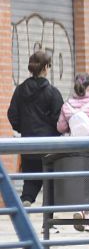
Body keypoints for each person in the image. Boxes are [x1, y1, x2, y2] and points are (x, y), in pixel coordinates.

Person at [7, 51, 63, 206]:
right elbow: (60, 120)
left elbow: (12, 114)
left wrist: (22, 128)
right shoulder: (53, 93)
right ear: (46, 67)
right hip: (48, 147)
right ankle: (48, 221)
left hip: (28, 144)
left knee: (30, 183)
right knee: (50, 185)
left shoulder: (20, 90)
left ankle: (26, 200)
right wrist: (55, 132)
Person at [57, 73, 89, 231]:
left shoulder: (67, 105)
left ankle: (78, 209)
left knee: (78, 179)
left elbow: (61, 127)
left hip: (74, 149)